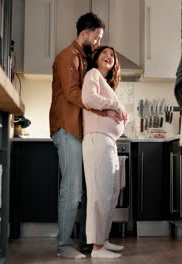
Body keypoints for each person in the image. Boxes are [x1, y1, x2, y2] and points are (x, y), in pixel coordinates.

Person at [49, 13, 123, 259]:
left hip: (80, 131)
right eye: (97, 37)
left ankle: (88, 243)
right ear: (85, 33)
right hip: (67, 128)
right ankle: (63, 246)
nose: (98, 42)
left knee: (86, 190)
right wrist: (109, 108)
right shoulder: (66, 57)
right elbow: (73, 94)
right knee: (72, 190)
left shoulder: (83, 59)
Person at [81, 46, 128, 259]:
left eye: (112, 55)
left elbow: (108, 106)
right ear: (96, 58)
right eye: (104, 53)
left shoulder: (107, 84)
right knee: (100, 194)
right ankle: (97, 248)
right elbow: (88, 98)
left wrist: (120, 112)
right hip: (97, 138)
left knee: (112, 192)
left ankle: (104, 240)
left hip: (108, 140)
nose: (108, 56)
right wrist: (115, 106)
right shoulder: (93, 75)